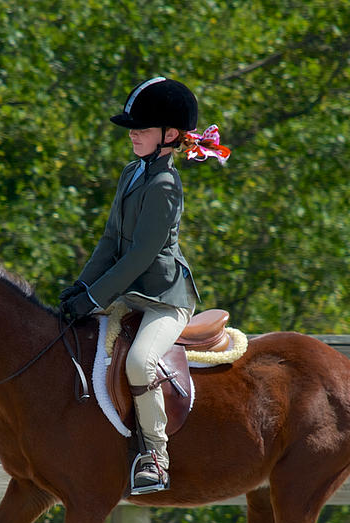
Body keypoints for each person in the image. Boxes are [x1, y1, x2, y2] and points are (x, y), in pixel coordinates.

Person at [60, 76, 228, 494]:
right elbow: (110, 241)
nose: (133, 132)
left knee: (138, 362)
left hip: (165, 300)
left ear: (170, 135)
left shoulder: (165, 185)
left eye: (143, 127)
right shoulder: (132, 172)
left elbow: (139, 256)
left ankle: (155, 453)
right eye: (132, 127)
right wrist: (80, 287)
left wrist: (95, 297)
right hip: (129, 293)